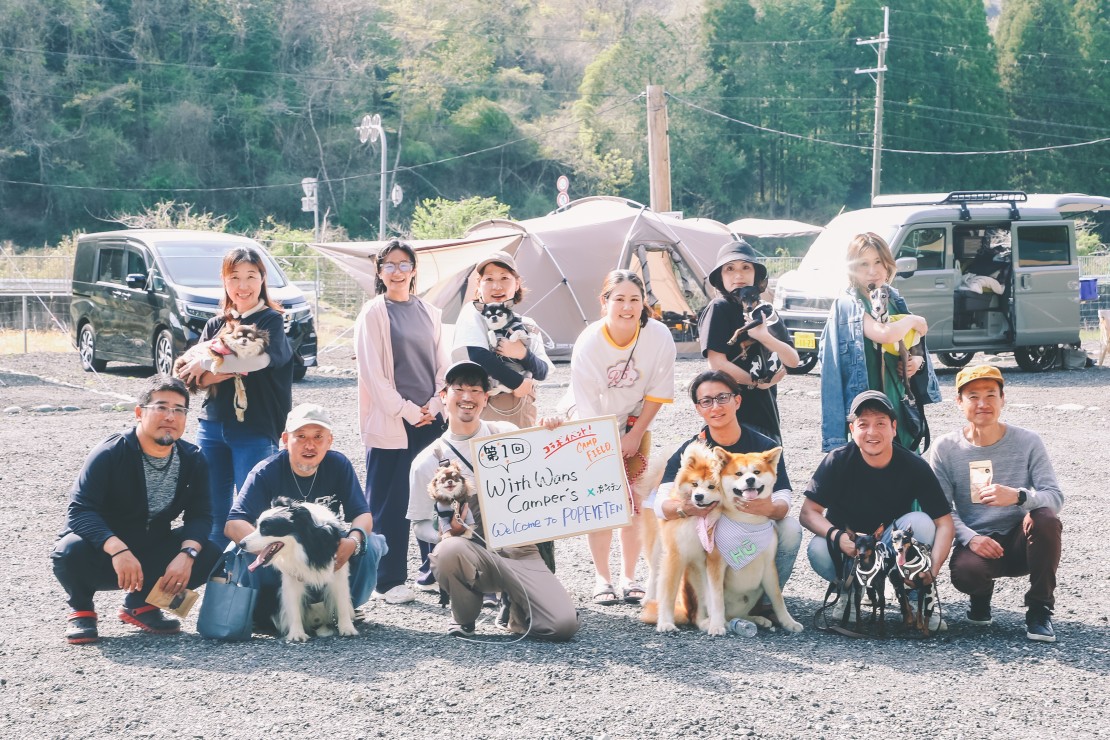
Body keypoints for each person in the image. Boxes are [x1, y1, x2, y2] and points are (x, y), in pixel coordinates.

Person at [407, 361, 579, 640]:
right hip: (472, 552)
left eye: (476, 390)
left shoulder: (505, 431)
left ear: (485, 399)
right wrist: (446, 533)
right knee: (447, 552)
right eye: (459, 389)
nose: (467, 397)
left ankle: (515, 605)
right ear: (443, 396)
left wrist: (551, 430)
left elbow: (550, 468)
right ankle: (464, 616)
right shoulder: (429, 460)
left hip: (520, 549)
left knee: (562, 626)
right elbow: (419, 524)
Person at [51, 376, 220, 644]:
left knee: (208, 552)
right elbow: (80, 511)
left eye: (179, 410)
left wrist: (187, 554)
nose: (170, 416)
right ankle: (81, 609)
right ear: (139, 412)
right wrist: (117, 549)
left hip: (150, 548)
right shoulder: (110, 453)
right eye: (161, 407)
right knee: (69, 549)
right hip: (104, 553)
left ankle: (141, 605)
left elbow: (201, 515)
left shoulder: (193, 458)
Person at [927, 365, 1063, 642]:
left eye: (991, 395)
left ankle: (1039, 609)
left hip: (1020, 542)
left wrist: (1020, 497)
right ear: (959, 402)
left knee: (1046, 519)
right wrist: (971, 537)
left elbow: (1054, 496)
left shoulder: (1028, 441)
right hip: (979, 542)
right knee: (966, 573)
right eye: (973, 396)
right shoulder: (945, 448)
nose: (982, 404)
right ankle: (980, 597)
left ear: (1003, 399)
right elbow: (939, 509)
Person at [564, 269, 676, 606]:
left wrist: (634, 435)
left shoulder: (658, 336)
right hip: (591, 424)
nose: (627, 307)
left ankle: (629, 577)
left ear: (644, 304)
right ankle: (602, 578)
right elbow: (584, 406)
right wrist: (604, 450)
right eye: (619, 299)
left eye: (634, 300)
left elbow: (658, 392)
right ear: (604, 303)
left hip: (633, 422)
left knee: (634, 503)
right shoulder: (589, 342)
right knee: (602, 502)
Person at [224, 404, 386, 632]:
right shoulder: (266, 471)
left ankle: (345, 609)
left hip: (323, 557)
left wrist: (353, 542)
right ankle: (269, 613)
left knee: (374, 544)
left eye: (318, 437)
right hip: (281, 563)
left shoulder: (338, 465)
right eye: (300, 436)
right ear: (285, 439)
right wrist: (278, 556)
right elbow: (233, 524)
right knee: (240, 548)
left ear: (330, 441)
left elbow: (363, 515)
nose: (310, 445)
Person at [801, 390, 955, 629]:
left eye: (881, 423)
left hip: (889, 544)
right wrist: (838, 536)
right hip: (850, 545)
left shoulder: (914, 465)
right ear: (852, 430)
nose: (872, 432)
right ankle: (850, 589)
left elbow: (944, 523)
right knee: (818, 547)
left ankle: (916, 594)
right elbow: (808, 512)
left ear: (894, 428)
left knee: (922, 522)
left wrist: (931, 572)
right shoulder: (837, 460)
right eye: (863, 424)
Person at [652, 371, 802, 609]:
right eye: (706, 401)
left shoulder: (764, 446)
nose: (716, 406)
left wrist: (772, 508)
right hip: (711, 532)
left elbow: (784, 493)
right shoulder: (692, 451)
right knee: (676, 529)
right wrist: (685, 508)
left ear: (737, 401)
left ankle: (763, 602)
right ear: (698, 408)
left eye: (723, 398)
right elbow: (660, 504)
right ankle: (703, 603)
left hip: (748, 527)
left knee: (791, 530)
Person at [177, 247, 293, 548]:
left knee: (255, 514)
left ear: (263, 279)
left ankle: (258, 588)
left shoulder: (271, 320)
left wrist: (208, 364)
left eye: (251, 276)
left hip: (255, 426)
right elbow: (187, 375)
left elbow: (257, 362)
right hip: (212, 425)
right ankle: (218, 587)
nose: (243, 285)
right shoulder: (216, 324)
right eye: (234, 277)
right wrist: (213, 370)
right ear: (224, 281)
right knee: (213, 513)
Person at [355, 238, 448, 604]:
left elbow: (443, 366)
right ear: (379, 272)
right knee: (389, 503)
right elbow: (373, 376)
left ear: (413, 270)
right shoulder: (374, 313)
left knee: (435, 497)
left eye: (403, 264)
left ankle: (435, 571)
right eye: (389, 265)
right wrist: (409, 410)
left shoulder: (430, 312)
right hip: (393, 421)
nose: (397, 271)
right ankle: (386, 579)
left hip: (432, 419)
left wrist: (436, 403)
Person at [819, 232, 941, 453]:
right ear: (852, 269)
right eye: (863, 264)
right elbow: (885, 334)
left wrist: (917, 362)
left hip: (898, 401)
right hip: (865, 403)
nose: (872, 271)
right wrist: (914, 319)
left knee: (902, 463)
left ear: (888, 266)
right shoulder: (848, 305)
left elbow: (913, 341)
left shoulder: (894, 299)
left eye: (878, 262)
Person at [698, 240, 799, 443]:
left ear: (756, 274)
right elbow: (717, 363)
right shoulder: (719, 308)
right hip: (729, 414)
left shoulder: (765, 310)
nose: (738, 275)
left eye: (746, 267)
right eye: (729, 269)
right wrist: (757, 382)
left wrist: (764, 337)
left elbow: (793, 360)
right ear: (720, 276)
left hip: (766, 411)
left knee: (768, 471)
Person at [452, 250, 554, 429]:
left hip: (522, 409)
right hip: (485, 408)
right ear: (479, 285)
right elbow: (478, 355)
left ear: (517, 284)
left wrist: (522, 353)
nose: (496, 286)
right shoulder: (474, 313)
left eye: (504, 278)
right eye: (489, 279)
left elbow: (542, 371)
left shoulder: (527, 324)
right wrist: (519, 382)